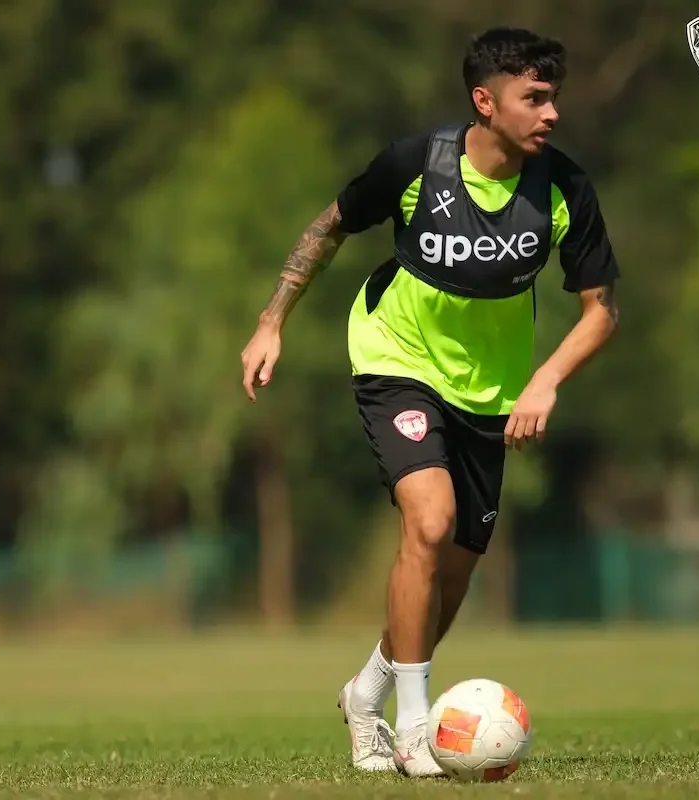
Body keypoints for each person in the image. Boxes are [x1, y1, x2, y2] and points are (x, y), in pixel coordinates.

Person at [240, 27, 619, 777]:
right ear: (485, 101)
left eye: (553, 98)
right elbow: (331, 226)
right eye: (533, 99)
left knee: (453, 575)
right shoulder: (417, 164)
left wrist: (544, 381)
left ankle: (366, 693)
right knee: (430, 519)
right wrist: (270, 320)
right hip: (395, 359)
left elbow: (601, 310)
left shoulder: (564, 188)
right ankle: (414, 729)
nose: (550, 113)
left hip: (492, 391)